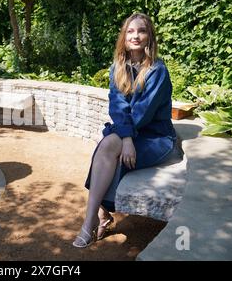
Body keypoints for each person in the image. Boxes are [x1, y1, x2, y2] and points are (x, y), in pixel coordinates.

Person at [73, 13, 181, 248]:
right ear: (124, 37)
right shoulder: (118, 67)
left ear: (149, 37)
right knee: (106, 146)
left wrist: (127, 139)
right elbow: (118, 106)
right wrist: (127, 138)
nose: (135, 36)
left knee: (113, 152)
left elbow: (143, 112)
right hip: (131, 132)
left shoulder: (157, 71)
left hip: (157, 138)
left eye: (141, 31)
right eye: (130, 31)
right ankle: (91, 219)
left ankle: (101, 215)